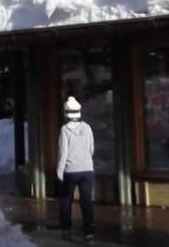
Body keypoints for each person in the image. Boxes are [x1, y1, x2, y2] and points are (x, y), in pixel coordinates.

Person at [57, 96, 95, 241]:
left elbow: (63, 153)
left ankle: (66, 228)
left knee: (66, 200)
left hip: (71, 170)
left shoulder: (64, 130)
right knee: (86, 201)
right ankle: (89, 231)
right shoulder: (87, 127)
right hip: (87, 170)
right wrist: (86, 160)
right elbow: (91, 148)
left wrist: (60, 171)